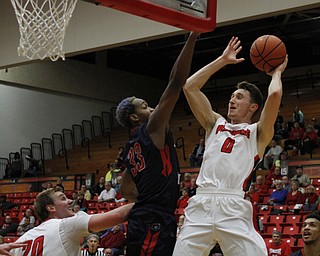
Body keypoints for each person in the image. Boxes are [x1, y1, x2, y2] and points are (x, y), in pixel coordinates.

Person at [173, 35, 288, 256]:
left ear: (253, 106)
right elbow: (190, 87)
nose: (231, 100)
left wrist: (277, 73)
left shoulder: (258, 133)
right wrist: (222, 60)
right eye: (231, 96)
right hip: (201, 205)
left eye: (238, 97)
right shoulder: (213, 123)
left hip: (234, 205)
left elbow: (274, 94)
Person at [116, 32, 199, 256]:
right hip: (154, 217)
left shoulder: (129, 148)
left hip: (150, 215)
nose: (151, 108)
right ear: (134, 117)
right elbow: (176, 82)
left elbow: (125, 188)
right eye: (144, 106)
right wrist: (193, 36)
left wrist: (147, 198)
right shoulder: (152, 128)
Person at [11, 187, 133, 255]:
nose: (70, 201)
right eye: (63, 199)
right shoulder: (65, 225)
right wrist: (149, 199)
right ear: (51, 208)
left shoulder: (21, 240)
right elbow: (119, 215)